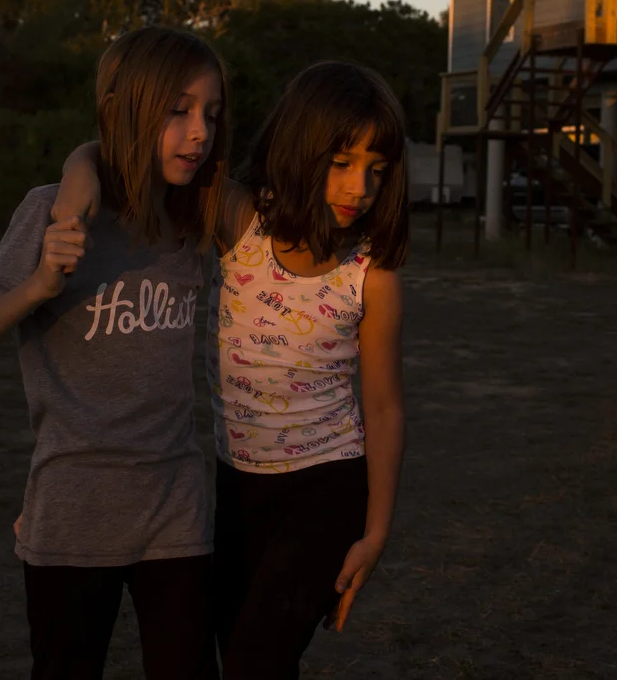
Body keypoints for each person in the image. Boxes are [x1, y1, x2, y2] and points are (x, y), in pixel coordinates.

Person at [53, 61, 406, 679]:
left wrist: (375, 534)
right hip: (237, 487)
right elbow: (113, 153)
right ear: (301, 148)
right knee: (236, 653)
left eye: (376, 171)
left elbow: (382, 407)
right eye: (342, 163)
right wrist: (74, 180)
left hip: (328, 487)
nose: (360, 189)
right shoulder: (241, 220)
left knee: (254, 663)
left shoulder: (371, 274)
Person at [0, 26, 228, 680]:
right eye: (178, 110)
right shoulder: (54, 212)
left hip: (174, 508)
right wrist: (40, 284)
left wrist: (85, 158)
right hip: (72, 513)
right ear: (131, 108)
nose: (199, 134)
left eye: (210, 114)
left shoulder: (192, 221)